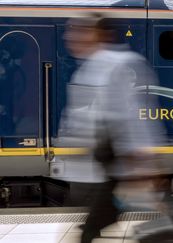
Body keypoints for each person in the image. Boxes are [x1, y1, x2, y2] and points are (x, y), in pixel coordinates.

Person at [61, 14, 166, 243]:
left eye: (80, 30)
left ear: (99, 34)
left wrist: (143, 161)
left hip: (119, 163)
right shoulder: (90, 67)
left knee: (92, 228)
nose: (71, 36)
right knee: (100, 221)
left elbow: (131, 116)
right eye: (71, 30)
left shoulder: (120, 64)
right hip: (105, 166)